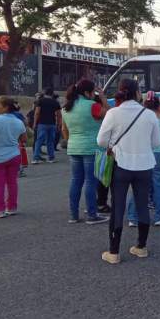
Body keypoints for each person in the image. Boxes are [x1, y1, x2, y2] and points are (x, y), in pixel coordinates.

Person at [97, 79, 160, 264]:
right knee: (142, 205)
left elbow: (100, 141)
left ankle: (114, 252)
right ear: (137, 93)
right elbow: (155, 143)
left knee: (118, 206)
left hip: (121, 164)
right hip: (145, 165)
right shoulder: (149, 114)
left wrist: (113, 146)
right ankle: (141, 247)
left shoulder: (113, 113)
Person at [62, 79, 109, 224]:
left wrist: (71, 142)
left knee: (76, 180)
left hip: (74, 147)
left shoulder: (66, 107)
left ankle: (73, 215)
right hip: (91, 147)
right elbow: (109, 114)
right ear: (88, 92)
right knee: (90, 181)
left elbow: (64, 130)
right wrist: (102, 97)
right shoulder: (92, 106)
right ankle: (92, 214)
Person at [126, 91, 160, 227]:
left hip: (143, 153)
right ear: (158, 105)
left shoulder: (140, 117)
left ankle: (133, 217)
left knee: (139, 186)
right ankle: (159, 217)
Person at [0, 96, 27, 218]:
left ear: (5, 107)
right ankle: (12, 207)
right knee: (12, 183)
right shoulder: (18, 121)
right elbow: (24, 139)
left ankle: (0, 210)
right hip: (14, 155)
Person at [32, 87, 62, 164]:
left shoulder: (40, 101)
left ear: (45, 93)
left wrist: (35, 123)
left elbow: (37, 113)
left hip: (42, 123)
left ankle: (36, 158)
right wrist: (58, 124)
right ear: (52, 94)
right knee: (50, 141)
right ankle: (51, 158)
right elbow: (59, 115)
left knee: (39, 141)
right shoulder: (55, 102)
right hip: (52, 124)